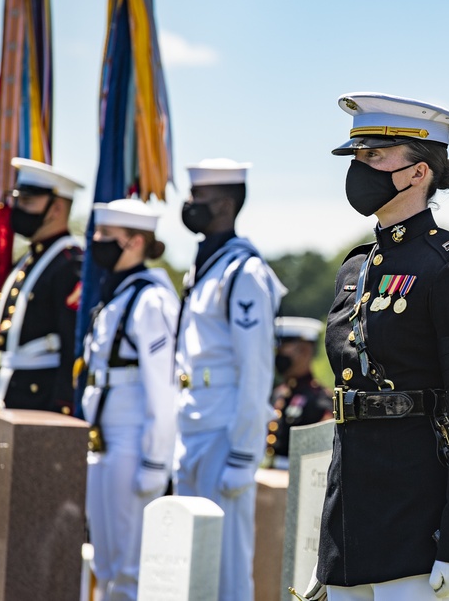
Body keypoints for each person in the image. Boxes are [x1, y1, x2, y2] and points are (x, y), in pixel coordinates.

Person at [304, 92, 449, 601]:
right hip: (351, 528)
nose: (359, 167)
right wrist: (330, 540)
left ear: (419, 173)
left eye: (374, 155)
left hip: (418, 525)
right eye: (357, 155)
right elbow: (352, 403)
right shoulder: (356, 267)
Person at [175, 158, 286, 601]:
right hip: (193, 424)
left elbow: (256, 368)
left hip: (224, 431)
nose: (189, 206)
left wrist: (244, 450)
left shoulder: (244, 272)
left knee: (227, 563)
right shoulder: (204, 267)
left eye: (197, 198)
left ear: (223, 204)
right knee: (188, 557)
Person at [81, 199, 178, 601]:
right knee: (103, 561)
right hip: (101, 438)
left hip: (131, 440)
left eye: (107, 237)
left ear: (135, 242)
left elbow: (162, 387)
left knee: (129, 565)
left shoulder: (151, 300)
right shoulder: (117, 295)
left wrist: (156, 460)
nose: (97, 243)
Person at [0, 158, 84, 413]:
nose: (18, 208)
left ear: (56, 209)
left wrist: (63, 406)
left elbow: (72, 343)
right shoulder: (27, 261)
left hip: (40, 401)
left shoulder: (70, 263)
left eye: (27, 202)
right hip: (6, 394)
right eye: (18, 200)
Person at [265, 316, 332, 470]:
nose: (278, 354)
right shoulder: (279, 393)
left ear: (304, 351)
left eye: (283, 348)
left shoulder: (320, 400)